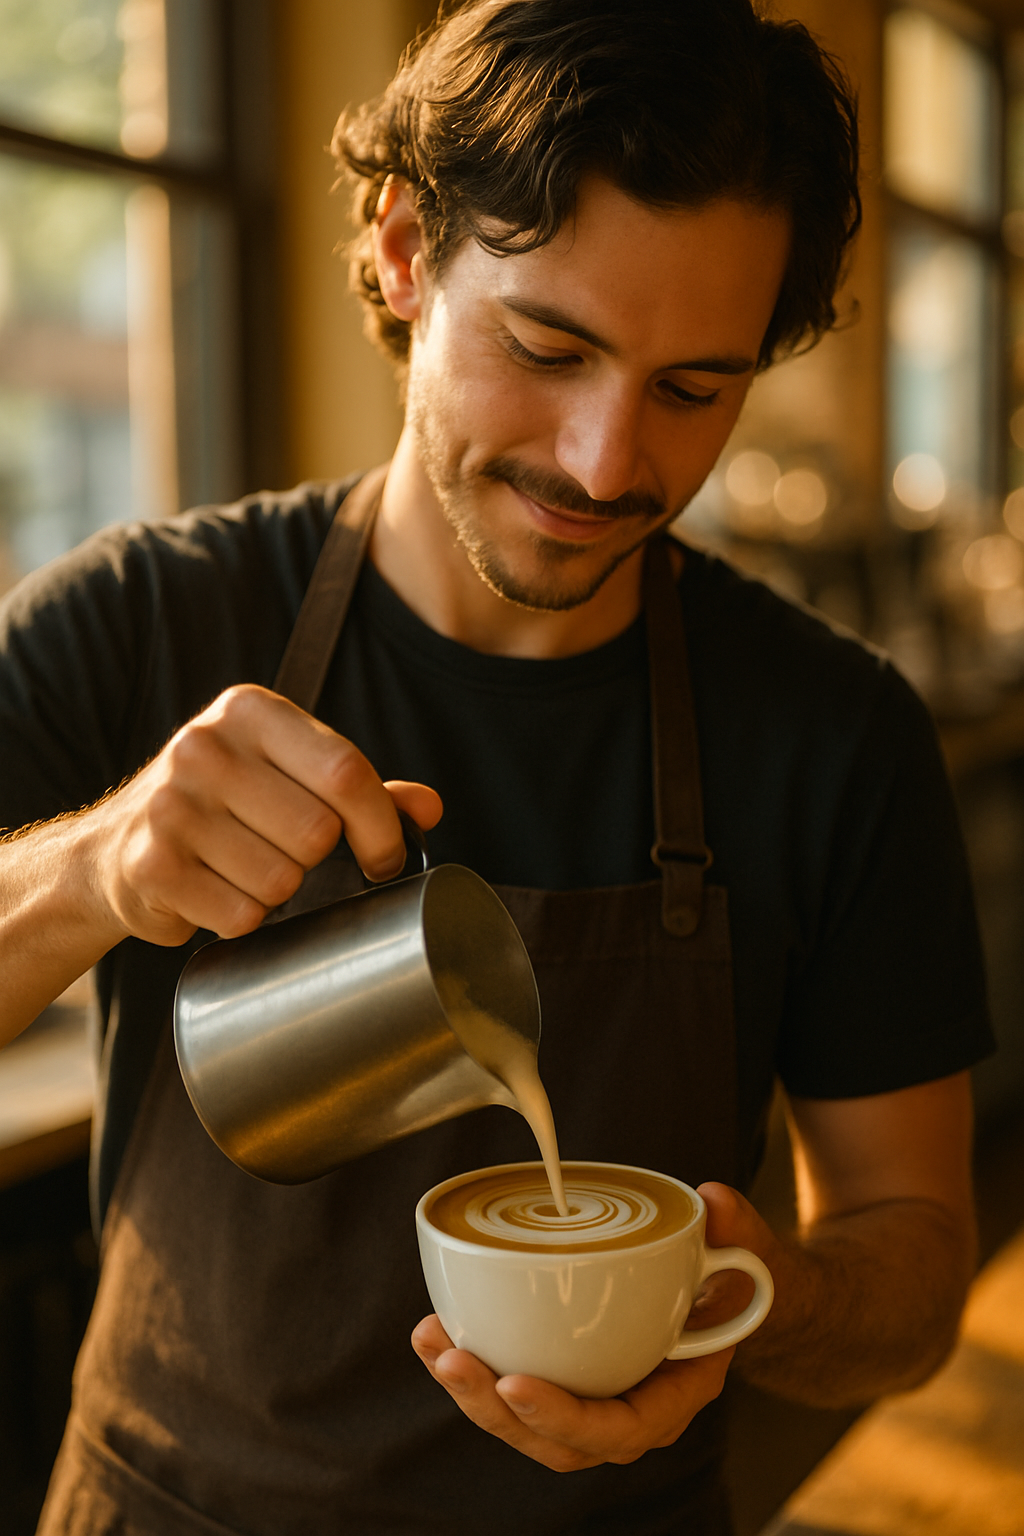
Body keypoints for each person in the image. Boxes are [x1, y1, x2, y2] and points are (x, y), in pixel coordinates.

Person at [0, 1, 993, 1532]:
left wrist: (763, 1303)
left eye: (693, 389)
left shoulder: (834, 736)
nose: (607, 463)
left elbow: (915, 1269)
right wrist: (90, 871)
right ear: (405, 248)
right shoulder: (142, 621)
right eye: (550, 345)